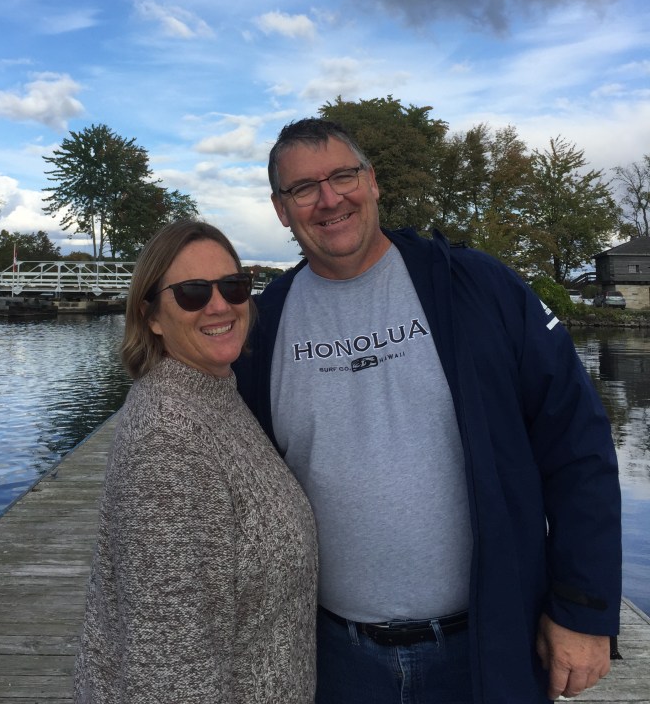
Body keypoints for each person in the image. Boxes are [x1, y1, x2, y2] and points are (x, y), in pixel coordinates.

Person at [235, 118, 621, 704]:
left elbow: (577, 445)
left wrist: (585, 609)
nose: (329, 198)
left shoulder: (478, 288)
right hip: (330, 657)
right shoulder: (263, 326)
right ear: (281, 209)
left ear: (373, 181)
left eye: (343, 175)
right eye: (303, 189)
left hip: (483, 646)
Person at [74, 220, 318, 704]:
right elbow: (169, 668)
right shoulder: (167, 441)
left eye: (233, 285)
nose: (220, 304)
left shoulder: (215, 395)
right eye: (191, 292)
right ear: (153, 317)